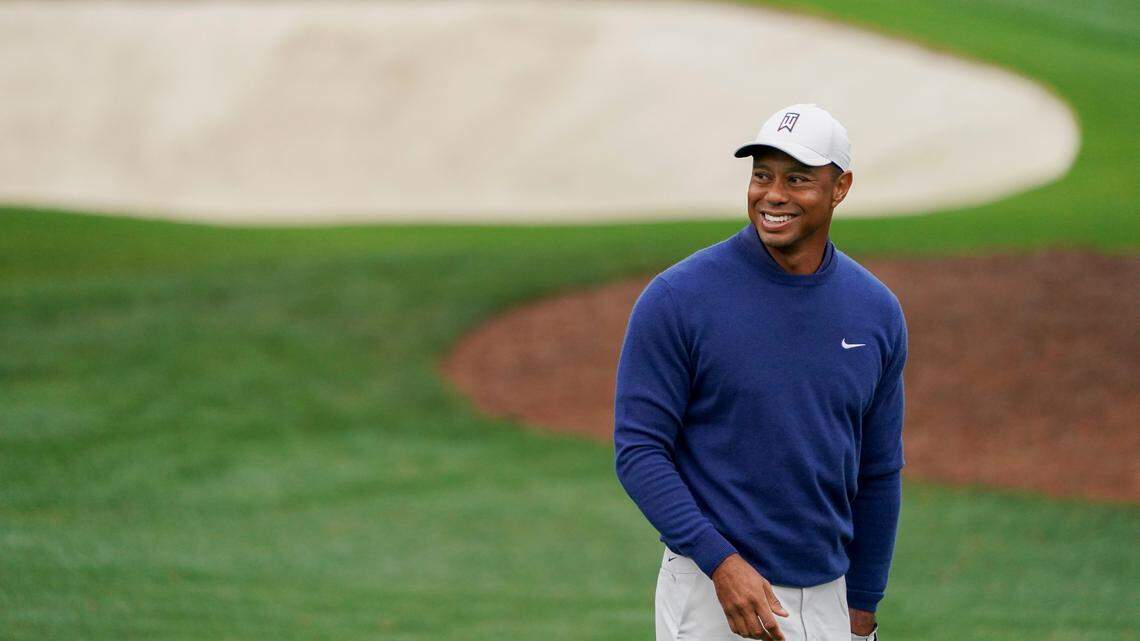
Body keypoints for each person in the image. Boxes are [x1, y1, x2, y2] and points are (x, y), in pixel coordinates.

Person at [613, 103, 906, 641]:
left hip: (831, 600)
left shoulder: (876, 312)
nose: (773, 194)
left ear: (840, 188)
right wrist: (719, 562)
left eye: (797, 179)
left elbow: (879, 469)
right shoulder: (679, 299)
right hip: (712, 593)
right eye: (762, 175)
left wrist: (863, 604)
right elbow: (639, 451)